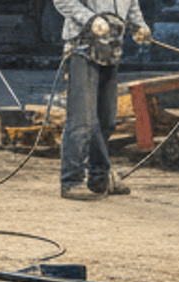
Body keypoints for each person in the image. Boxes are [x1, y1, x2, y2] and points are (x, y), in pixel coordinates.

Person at [53, 0, 151, 201]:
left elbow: (131, 4)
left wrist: (139, 26)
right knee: (82, 121)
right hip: (82, 50)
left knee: (106, 120)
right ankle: (72, 180)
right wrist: (90, 19)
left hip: (110, 52)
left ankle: (99, 178)